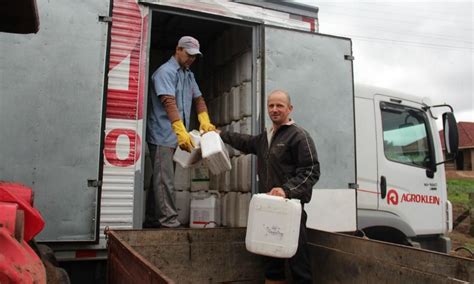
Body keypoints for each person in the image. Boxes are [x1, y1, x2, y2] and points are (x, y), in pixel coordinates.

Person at [220, 90, 320, 283]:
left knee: (299, 265)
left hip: (291, 210)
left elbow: (311, 171)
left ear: (290, 109)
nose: (274, 110)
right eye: (271, 106)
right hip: (269, 209)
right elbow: (245, 141)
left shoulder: (299, 136)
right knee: (272, 265)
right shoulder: (267, 137)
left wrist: (286, 190)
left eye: (279, 106)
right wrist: (220, 134)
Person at [145, 36, 216, 228]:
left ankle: (152, 218)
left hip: (177, 135)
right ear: (178, 49)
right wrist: (179, 131)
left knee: (160, 178)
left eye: (195, 56)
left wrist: (205, 121)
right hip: (162, 135)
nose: (191, 59)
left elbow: (198, 99)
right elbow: (168, 102)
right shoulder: (164, 72)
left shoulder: (188, 75)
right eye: (189, 54)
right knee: (164, 179)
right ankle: (167, 220)